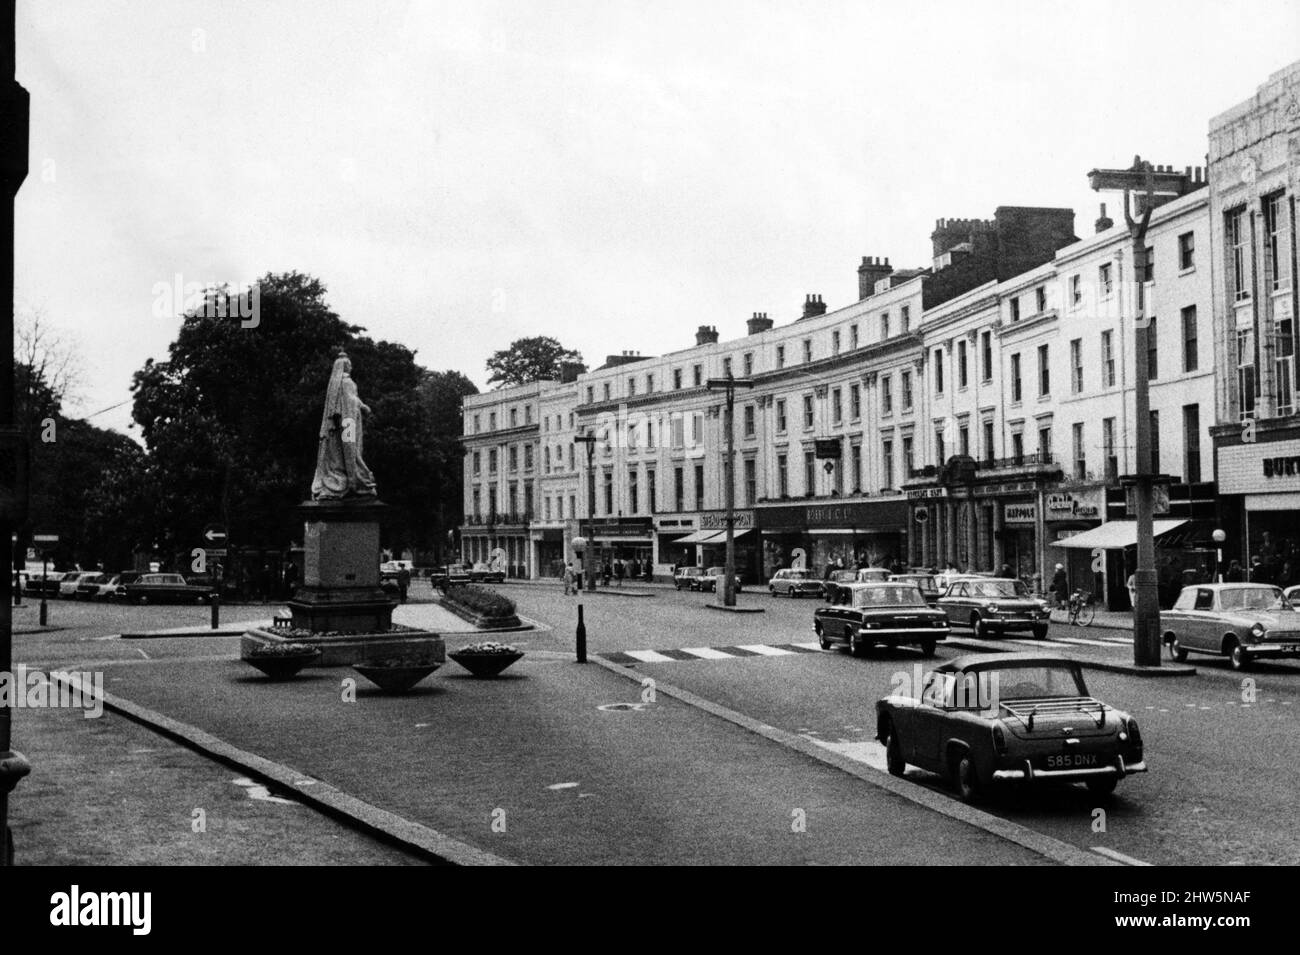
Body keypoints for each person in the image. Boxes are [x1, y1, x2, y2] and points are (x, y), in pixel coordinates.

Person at [312, 350, 377, 500]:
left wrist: (361, 404)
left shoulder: (339, 383)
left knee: (348, 452)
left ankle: (352, 479)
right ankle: (356, 481)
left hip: (346, 423)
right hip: (348, 423)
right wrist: (363, 407)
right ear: (344, 366)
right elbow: (351, 401)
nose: (351, 367)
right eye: (349, 364)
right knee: (351, 451)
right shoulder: (346, 382)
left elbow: (352, 399)